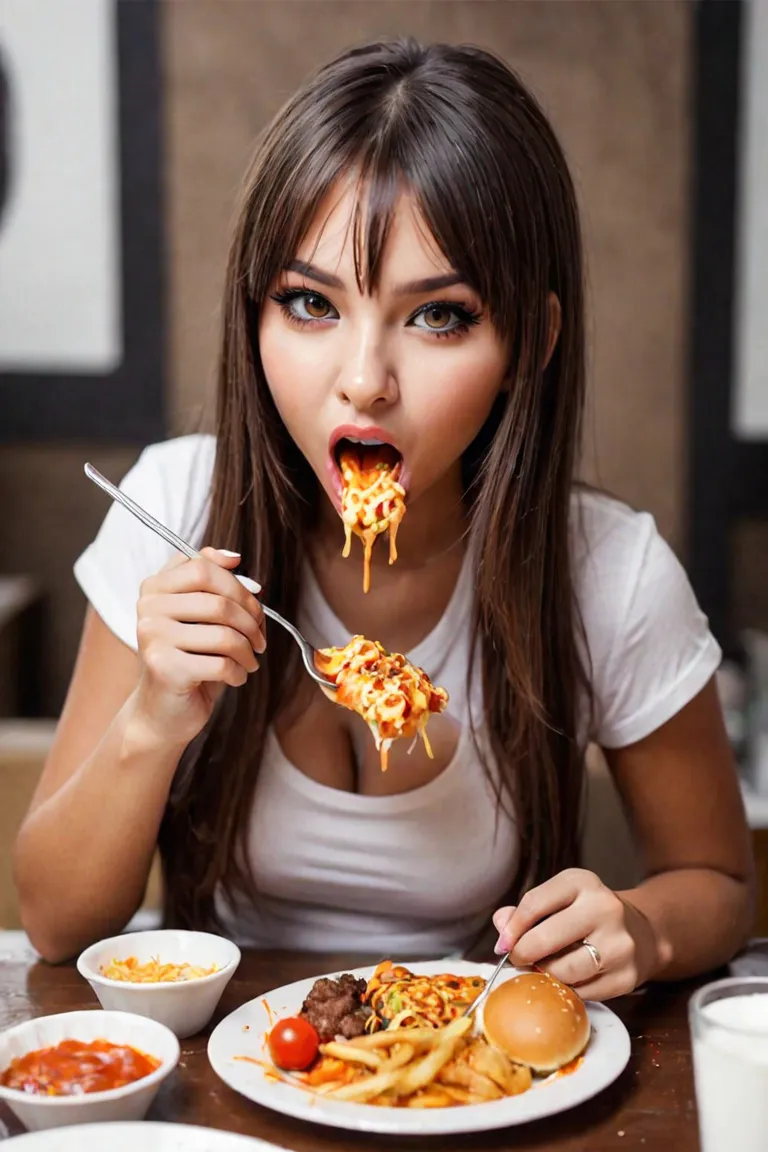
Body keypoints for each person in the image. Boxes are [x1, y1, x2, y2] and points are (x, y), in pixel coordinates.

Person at [14, 38, 754, 999]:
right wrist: (154, 721)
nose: (363, 379)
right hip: (223, 1071)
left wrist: (643, 930)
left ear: (532, 339)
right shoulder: (176, 510)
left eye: (438, 316)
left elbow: (725, 885)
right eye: (311, 303)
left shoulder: (607, 571)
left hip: (459, 1067)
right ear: (256, 313)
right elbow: (55, 924)